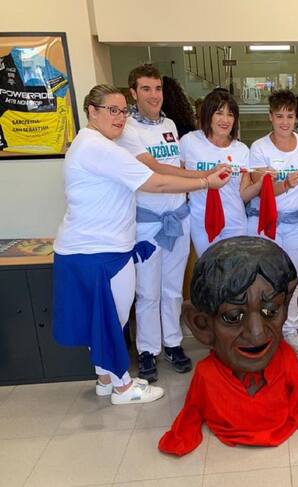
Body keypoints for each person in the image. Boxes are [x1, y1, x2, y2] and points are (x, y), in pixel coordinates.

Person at [52, 84, 230, 405]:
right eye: (112, 110)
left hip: (93, 249)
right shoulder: (99, 148)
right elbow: (155, 181)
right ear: (92, 111)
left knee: (105, 318)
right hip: (99, 252)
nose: (120, 117)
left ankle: (106, 378)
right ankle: (122, 387)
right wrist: (205, 182)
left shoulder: (93, 143)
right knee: (115, 318)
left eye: (123, 111)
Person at [158, 237, 298, 455]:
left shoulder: (285, 360)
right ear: (201, 324)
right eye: (233, 317)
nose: (257, 333)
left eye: (271, 311)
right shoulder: (207, 375)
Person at [115, 65, 205, 382]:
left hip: (177, 219)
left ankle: (173, 344)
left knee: (172, 289)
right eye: (146, 89)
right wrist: (202, 178)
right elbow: (154, 169)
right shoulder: (128, 129)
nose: (154, 96)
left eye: (158, 89)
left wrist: (195, 177)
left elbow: (174, 164)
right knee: (148, 291)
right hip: (148, 225)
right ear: (133, 93)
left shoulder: (169, 124)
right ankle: (147, 350)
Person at [248, 89, 298, 356]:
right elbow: (259, 189)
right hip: (267, 223)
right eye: (279, 116)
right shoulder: (259, 148)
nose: (285, 122)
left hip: (297, 223)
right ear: (270, 117)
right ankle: (265, 328)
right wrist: (285, 184)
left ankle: (290, 329)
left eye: (290, 116)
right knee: (266, 279)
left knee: (294, 278)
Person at [180, 89, 262, 257]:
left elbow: (243, 194)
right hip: (201, 222)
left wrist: (261, 183)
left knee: (235, 270)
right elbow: (178, 177)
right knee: (209, 268)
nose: (225, 120)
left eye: (230, 115)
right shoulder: (189, 141)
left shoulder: (241, 150)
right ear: (208, 115)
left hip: (235, 223)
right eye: (219, 113)